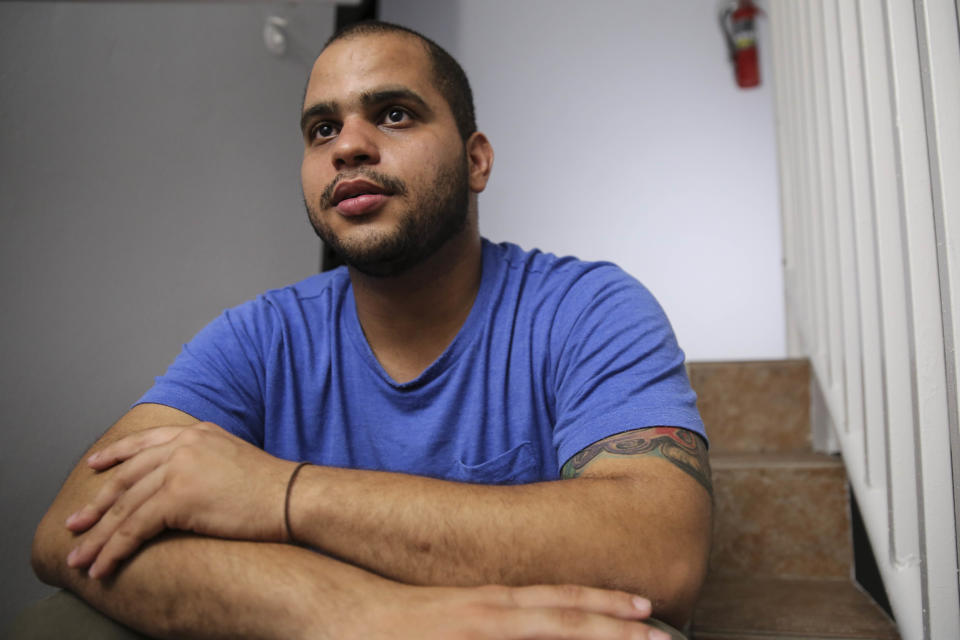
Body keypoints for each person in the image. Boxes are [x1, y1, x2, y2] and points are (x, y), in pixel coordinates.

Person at [23, 21, 711, 640]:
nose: (349, 145)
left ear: (476, 161)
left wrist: (278, 492)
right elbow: (68, 528)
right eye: (322, 129)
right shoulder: (263, 336)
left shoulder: (589, 308)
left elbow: (658, 554)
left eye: (393, 114)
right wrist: (359, 612)